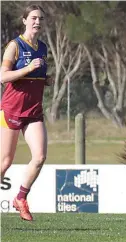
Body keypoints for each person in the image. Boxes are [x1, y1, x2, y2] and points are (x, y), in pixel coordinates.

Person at [0, 5, 52, 221]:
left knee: (39, 157)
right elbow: (3, 77)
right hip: (11, 109)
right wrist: (28, 69)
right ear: (24, 21)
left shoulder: (43, 47)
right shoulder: (15, 46)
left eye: (40, 18)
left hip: (33, 111)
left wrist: (46, 80)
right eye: (33, 18)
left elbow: (36, 78)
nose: (37, 22)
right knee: (4, 162)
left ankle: (21, 197)